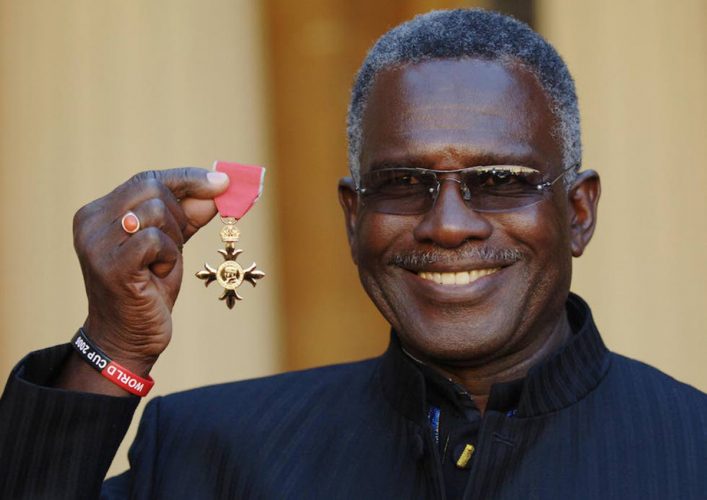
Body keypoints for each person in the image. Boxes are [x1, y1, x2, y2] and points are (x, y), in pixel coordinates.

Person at [1, 9, 704, 500]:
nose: (448, 226)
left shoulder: (692, 452)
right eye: (403, 184)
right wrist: (112, 348)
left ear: (577, 213)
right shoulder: (210, 453)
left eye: (498, 183)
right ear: (353, 213)